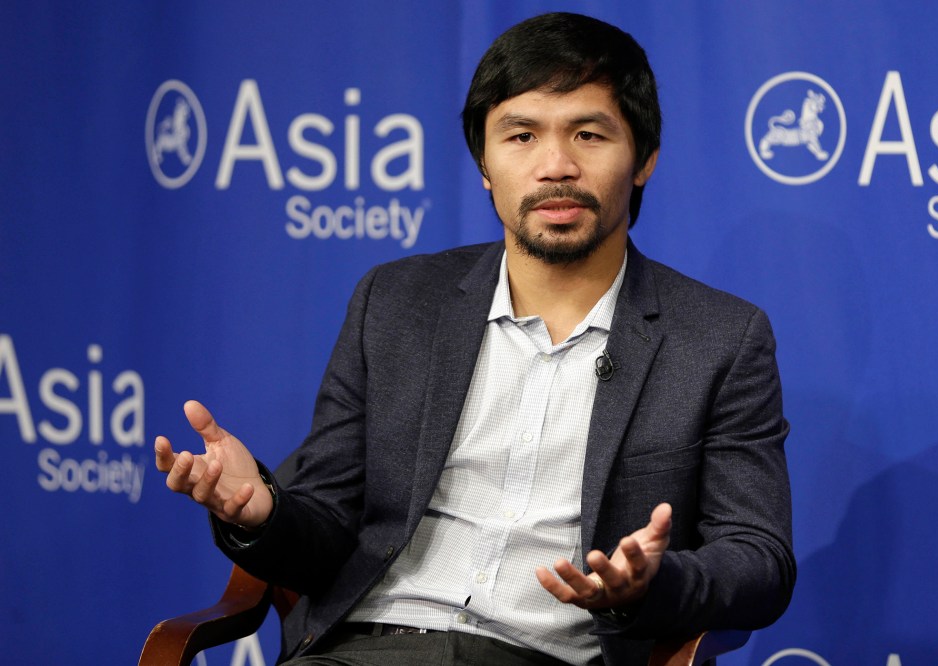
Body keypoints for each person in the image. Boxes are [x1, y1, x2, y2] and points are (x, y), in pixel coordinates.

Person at [155, 12, 794, 666]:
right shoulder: (396, 302)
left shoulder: (718, 339)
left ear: (644, 159)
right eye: (521, 136)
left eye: (588, 133)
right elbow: (325, 527)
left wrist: (654, 584)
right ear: (484, 164)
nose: (556, 166)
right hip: (364, 649)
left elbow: (759, 558)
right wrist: (261, 513)